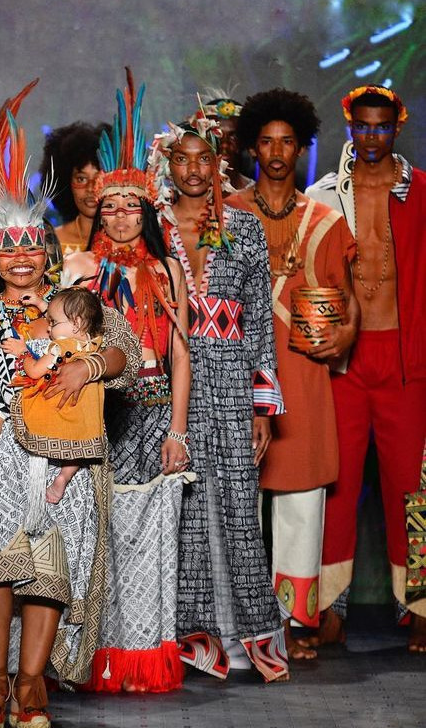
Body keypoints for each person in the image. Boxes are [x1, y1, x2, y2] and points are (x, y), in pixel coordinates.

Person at [0, 107, 139, 728]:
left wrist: (90, 367)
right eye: (6, 250)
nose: (19, 260)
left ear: (45, 252)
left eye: (30, 248)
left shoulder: (79, 308)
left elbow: (126, 354)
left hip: (58, 459)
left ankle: (31, 684)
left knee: (50, 572)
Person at [62, 71, 191, 693]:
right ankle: (93, 658)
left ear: (148, 210)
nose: (117, 214)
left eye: (129, 205)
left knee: (152, 544)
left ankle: (143, 660)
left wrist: (180, 430)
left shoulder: (168, 271)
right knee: (93, 539)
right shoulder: (80, 270)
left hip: (153, 413)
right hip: (95, 416)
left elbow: (183, 355)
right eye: (108, 204)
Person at [149, 111, 289, 682]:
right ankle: (192, 639)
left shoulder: (244, 226)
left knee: (237, 504)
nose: (192, 169)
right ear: (167, 165)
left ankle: (255, 639)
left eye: (202, 158)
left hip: (232, 378)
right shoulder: (151, 226)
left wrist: (263, 405)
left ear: (218, 163)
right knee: (181, 510)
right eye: (179, 159)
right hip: (170, 384)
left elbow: (259, 323)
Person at [226, 88, 359, 660]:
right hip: (234, 378)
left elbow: (349, 305)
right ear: (252, 147)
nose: (277, 152)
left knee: (301, 501)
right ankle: (236, 624)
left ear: (302, 148)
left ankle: (294, 624)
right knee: (233, 499)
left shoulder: (326, 223)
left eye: (288, 142)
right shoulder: (226, 215)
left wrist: (344, 336)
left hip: (302, 375)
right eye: (267, 141)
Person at [305, 85, 426, 652]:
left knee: (413, 490)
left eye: (382, 127)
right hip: (346, 362)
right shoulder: (326, 195)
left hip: (406, 360)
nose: (372, 136)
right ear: (349, 126)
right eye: (362, 126)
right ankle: (330, 608)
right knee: (338, 485)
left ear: (397, 126)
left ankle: (421, 606)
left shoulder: (423, 192)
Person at [0, 286, 108, 507]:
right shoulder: (92, 341)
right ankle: (63, 478)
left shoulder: (58, 347)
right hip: (82, 409)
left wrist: (23, 352)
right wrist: (40, 303)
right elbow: (63, 317)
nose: (49, 328)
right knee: (79, 444)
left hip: (52, 402)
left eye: (53, 324)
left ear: (75, 323)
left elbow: (36, 371)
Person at [40, 122, 109, 255]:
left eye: (99, 178)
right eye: (81, 179)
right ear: (66, 183)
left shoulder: (131, 245)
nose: (91, 188)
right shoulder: (48, 244)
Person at [202, 93, 254, 192]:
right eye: (217, 135)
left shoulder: (257, 195)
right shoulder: (187, 193)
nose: (224, 144)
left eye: (233, 136)